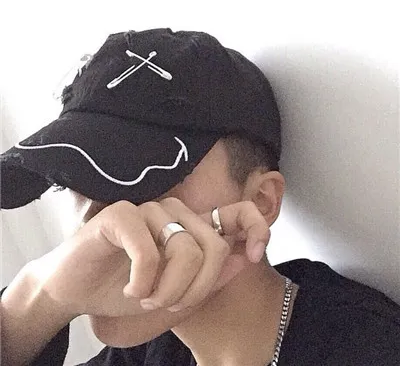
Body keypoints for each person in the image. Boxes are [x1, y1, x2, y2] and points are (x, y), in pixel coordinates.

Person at [1, 28, 399, 366]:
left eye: (140, 180)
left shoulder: (367, 347)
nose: (98, 227)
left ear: (261, 202)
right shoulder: (143, 354)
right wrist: (37, 298)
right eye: (73, 181)